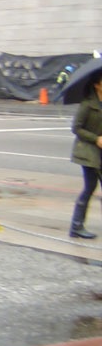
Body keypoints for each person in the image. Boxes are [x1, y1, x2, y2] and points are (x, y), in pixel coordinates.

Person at [69, 71, 102, 239]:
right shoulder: (87, 104)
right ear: (97, 85)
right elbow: (76, 128)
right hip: (88, 152)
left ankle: (77, 226)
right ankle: (76, 226)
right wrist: (96, 139)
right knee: (90, 187)